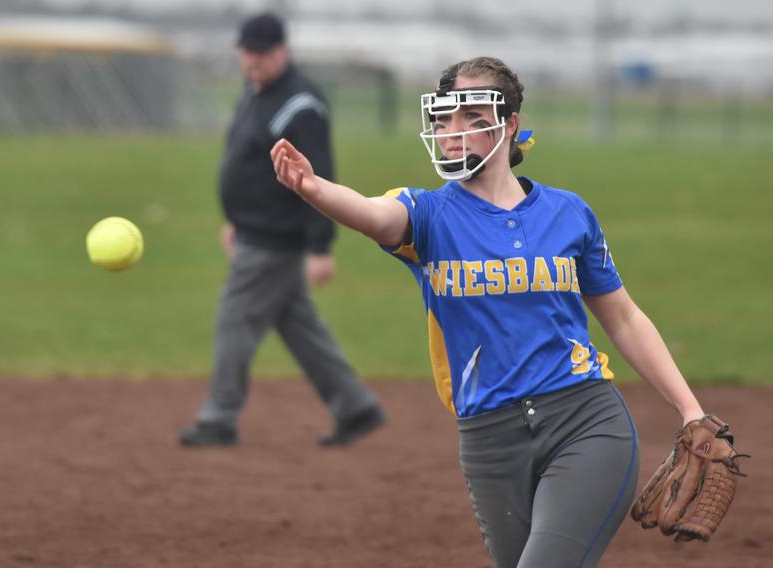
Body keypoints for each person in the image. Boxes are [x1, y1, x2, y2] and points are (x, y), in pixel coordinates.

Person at [271, 56, 712, 567]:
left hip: (585, 421)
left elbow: (624, 318)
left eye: (469, 118)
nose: (452, 132)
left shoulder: (569, 213)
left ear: (509, 125)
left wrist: (690, 410)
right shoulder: (428, 214)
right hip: (488, 440)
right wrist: (312, 187)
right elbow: (372, 214)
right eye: (442, 120)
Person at [179, 12, 385, 448]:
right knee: (298, 325)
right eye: (246, 53)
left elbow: (319, 175)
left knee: (234, 317)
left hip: (276, 236)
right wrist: (237, 219)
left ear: (282, 52)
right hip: (255, 230)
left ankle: (218, 417)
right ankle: (355, 406)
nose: (251, 61)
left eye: (261, 54)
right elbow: (248, 164)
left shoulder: (300, 104)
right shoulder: (256, 93)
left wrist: (321, 247)